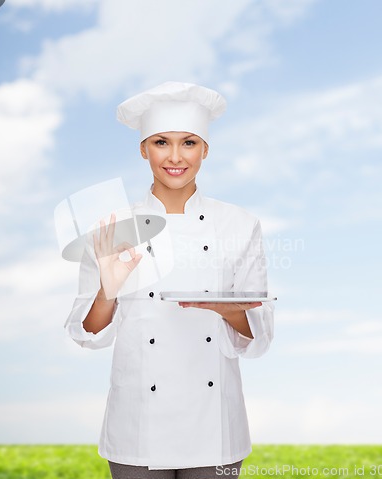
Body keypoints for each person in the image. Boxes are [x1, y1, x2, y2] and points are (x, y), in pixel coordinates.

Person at [65, 82, 274, 479]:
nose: (175, 157)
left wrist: (228, 310)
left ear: (205, 150)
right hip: (137, 424)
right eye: (161, 142)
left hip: (215, 428)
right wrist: (108, 290)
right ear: (143, 149)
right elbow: (85, 332)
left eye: (189, 143)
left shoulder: (241, 225)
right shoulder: (113, 227)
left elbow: (259, 336)